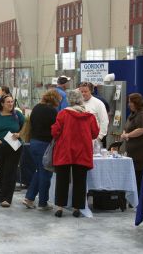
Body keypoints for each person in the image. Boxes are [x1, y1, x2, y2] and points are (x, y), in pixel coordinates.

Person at [51, 90, 99, 218]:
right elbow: (95, 133)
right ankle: (77, 208)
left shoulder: (63, 114)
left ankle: (60, 208)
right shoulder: (90, 116)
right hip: (82, 152)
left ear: (69, 100)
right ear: (81, 100)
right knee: (80, 181)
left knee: (62, 180)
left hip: (65, 151)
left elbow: (55, 132)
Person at [23, 89, 60, 210]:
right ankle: (43, 202)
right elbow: (56, 128)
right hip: (44, 145)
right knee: (46, 173)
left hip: (33, 143)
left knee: (40, 171)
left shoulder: (37, 108)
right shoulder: (52, 111)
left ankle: (29, 198)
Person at [0, 94, 25, 207]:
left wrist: (19, 134)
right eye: (8, 102)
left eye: (12, 102)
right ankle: (3, 196)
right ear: (2, 104)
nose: (11, 104)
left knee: (11, 171)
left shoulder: (17, 114)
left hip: (14, 145)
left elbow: (25, 127)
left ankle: (6, 198)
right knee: (2, 171)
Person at [121, 93, 143, 193]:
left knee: (141, 174)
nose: (129, 104)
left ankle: (140, 198)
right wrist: (124, 133)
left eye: (130, 102)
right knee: (135, 174)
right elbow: (126, 127)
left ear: (136, 102)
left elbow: (141, 129)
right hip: (134, 150)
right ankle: (135, 198)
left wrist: (127, 135)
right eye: (128, 102)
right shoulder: (133, 114)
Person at [79, 82, 109, 146]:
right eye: (81, 92)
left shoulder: (98, 103)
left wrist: (99, 138)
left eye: (85, 91)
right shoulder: (78, 103)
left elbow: (104, 121)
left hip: (94, 139)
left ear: (91, 91)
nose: (83, 94)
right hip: (80, 139)